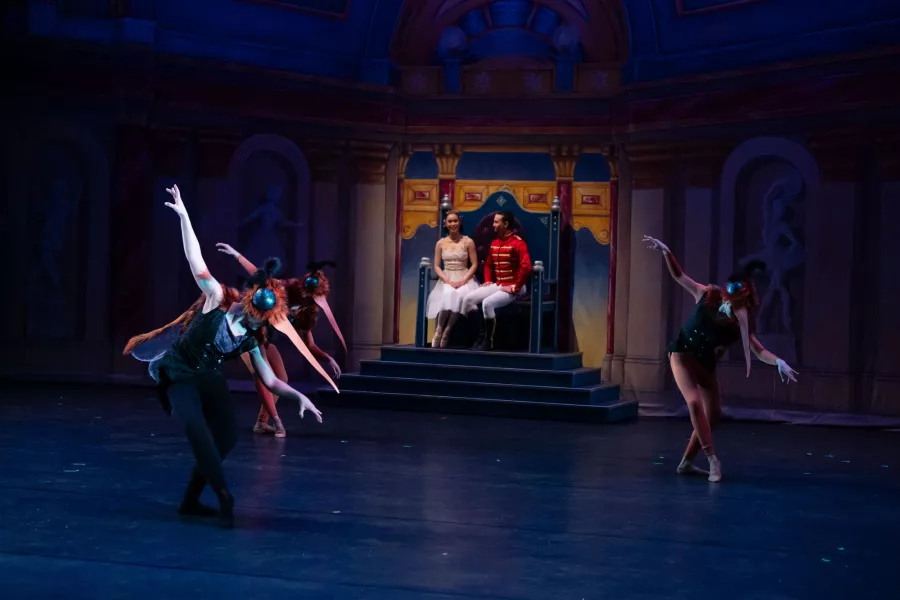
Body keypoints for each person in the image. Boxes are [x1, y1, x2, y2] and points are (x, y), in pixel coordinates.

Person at [123, 184, 338, 528]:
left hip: (207, 378)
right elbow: (197, 260)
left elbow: (269, 380)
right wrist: (184, 216)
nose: (250, 320)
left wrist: (300, 397)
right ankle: (223, 496)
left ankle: (191, 501)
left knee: (226, 437)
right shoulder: (217, 299)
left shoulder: (250, 339)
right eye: (250, 312)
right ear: (248, 300)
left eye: (257, 320)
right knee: (196, 428)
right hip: (178, 374)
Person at [643, 234, 799, 483]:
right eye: (731, 290)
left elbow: (758, 350)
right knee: (694, 403)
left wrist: (778, 361)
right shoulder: (708, 295)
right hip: (682, 354)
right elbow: (680, 277)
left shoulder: (737, 323)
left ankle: (685, 463)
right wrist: (666, 252)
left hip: (704, 362)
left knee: (713, 413)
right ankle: (712, 459)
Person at [216, 242, 346, 437]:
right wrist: (237, 255)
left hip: (263, 338)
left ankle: (262, 422)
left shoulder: (306, 311)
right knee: (264, 375)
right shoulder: (282, 290)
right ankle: (276, 422)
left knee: (282, 379)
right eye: (309, 298)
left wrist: (327, 358)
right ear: (303, 291)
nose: (310, 302)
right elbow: (259, 274)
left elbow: (308, 345)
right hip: (247, 334)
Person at [459, 211, 532, 351]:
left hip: (514, 286)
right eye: (493, 221)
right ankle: (482, 335)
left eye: (496, 222)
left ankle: (488, 342)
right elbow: (488, 264)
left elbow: (526, 266)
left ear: (506, 224)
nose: (493, 224)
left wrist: (515, 287)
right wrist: (487, 280)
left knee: (487, 303)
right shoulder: (495, 243)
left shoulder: (518, 243)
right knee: (468, 299)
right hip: (499, 284)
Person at [427, 210, 478, 348]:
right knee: (448, 293)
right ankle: (439, 329)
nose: (453, 223)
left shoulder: (468, 241)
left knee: (460, 295)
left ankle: (447, 330)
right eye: (450, 221)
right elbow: (437, 266)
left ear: (459, 222)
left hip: (464, 276)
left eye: (455, 221)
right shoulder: (441, 243)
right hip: (447, 276)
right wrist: (447, 280)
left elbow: (474, 264)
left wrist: (464, 280)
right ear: (446, 223)